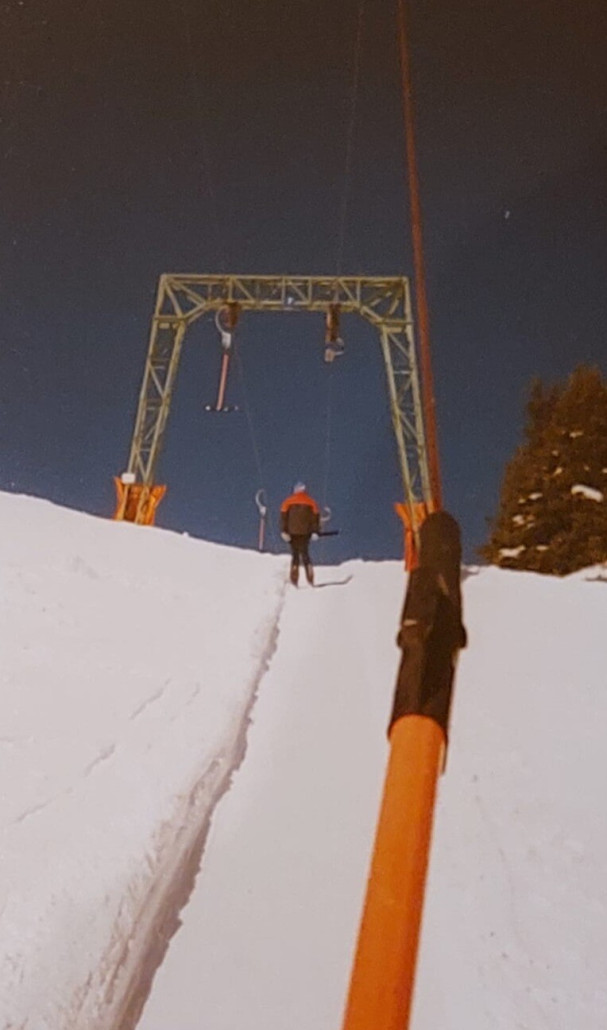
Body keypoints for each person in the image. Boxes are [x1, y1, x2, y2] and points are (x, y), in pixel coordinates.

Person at [280, 482, 320, 586]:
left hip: (292, 532)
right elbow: (315, 519)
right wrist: (315, 531)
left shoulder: (287, 502)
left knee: (295, 554)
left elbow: (284, 518)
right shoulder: (311, 502)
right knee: (305, 553)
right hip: (306, 532)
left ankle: (294, 575)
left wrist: (284, 531)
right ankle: (309, 573)